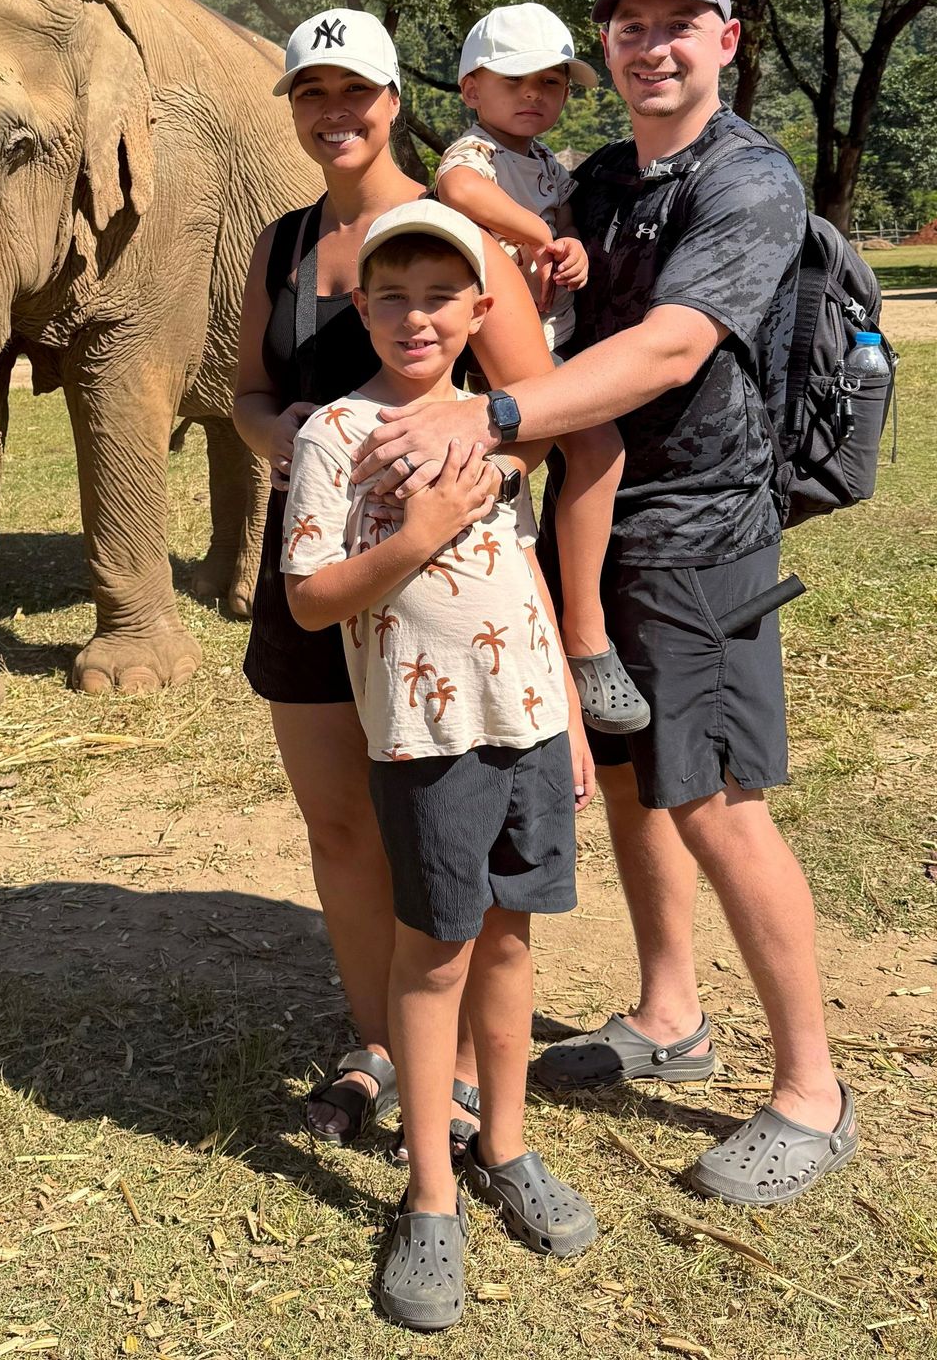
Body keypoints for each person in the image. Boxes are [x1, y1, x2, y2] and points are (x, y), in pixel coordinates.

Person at [350, 0, 857, 1206]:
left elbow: (673, 347)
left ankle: (813, 1091)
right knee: (639, 784)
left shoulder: (749, 180)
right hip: (608, 530)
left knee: (718, 800)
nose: (653, 46)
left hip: (701, 534)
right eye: (630, 26)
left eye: (679, 25)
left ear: (727, 42)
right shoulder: (603, 176)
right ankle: (672, 1012)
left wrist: (498, 417)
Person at [233, 9, 558, 1153]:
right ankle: (376, 1040)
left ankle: (461, 1060)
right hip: (315, 570)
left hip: (441, 595)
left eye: (354, 92)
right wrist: (308, 448)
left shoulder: (460, 226)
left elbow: (537, 406)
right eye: (310, 95)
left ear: (395, 98)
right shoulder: (280, 245)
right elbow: (248, 391)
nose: (335, 115)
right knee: (340, 826)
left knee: (439, 830)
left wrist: (462, 481)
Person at [283, 200, 596, 1331]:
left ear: (478, 309)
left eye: (440, 295)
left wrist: (561, 693)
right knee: (434, 954)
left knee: (512, 937)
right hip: (424, 742)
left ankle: (504, 1145)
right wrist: (414, 534)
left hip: (529, 724)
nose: (417, 316)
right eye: (393, 296)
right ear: (361, 307)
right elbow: (312, 598)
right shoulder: (333, 435)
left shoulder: (495, 424)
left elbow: (523, 570)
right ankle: (429, 1193)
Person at [437, 4, 648, 735]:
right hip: (510, 353)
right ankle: (583, 641)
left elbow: (563, 234)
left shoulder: (549, 165)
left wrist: (572, 247)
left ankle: (538, 636)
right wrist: (539, 233)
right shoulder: (476, 155)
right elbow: (459, 196)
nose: (536, 95)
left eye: (553, 83)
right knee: (594, 448)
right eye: (515, 80)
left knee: (525, 493)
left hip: (552, 344)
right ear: (471, 88)